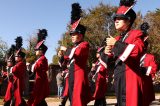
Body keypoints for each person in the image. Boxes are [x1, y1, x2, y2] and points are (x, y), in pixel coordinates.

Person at [104, 0, 145, 105]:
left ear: (128, 21)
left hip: (130, 79)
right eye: (115, 19)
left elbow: (136, 51)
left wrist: (116, 44)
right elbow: (110, 63)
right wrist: (107, 53)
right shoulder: (117, 38)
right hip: (119, 78)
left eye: (120, 18)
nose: (116, 21)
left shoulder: (136, 34)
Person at [59, 3, 92, 106]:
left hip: (79, 76)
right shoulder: (73, 48)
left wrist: (66, 49)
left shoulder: (84, 44)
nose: (72, 36)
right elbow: (64, 63)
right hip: (72, 75)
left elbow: (76, 53)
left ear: (81, 35)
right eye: (71, 34)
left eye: (74, 34)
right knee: (73, 100)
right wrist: (61, 55)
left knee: (78, 101)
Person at [27, 29, 49, 106]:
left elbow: (36, 67)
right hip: (39, 80)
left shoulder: (42, 58)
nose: (35, 51)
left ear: (41, 51)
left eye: (36, 49)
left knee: (38, 98)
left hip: (41, 81)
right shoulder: (39, 59)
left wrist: (30, 66)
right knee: (38, 99)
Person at [4, 37, 27, 106]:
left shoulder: (21, 64)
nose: (15, 57)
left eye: (17, 56)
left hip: (18, 83)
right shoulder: (17, 63)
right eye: (16, 55)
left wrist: (9, 67)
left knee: (17, 98)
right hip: (15, 82)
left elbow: (14, 70)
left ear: (20, 57)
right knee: (14, 97)